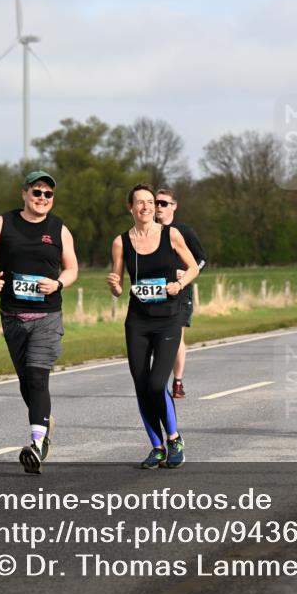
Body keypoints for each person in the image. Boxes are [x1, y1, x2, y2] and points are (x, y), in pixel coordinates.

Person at [0, 170, 79, 474]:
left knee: (38, 376)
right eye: (36, 192)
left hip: (47, 316)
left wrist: (58, 283)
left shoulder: (59, 229)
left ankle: (37, 444)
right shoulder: (4, 223)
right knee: (26, 382)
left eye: (48, 194)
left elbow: (72, 269)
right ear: (24, 194)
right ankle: (44, 421)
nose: (42, 198)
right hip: (12, 316)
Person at [109, 185, 200, 469]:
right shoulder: (121, 242)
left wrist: (180, 284)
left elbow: (193, 267)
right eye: (140, 202)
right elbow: (118, 284)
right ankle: (157, 447)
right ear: (131, 207)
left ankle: (174, 439)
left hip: (168, 318)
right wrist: (115, 286)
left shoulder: (170, 234)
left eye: (150, 202)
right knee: (141, 386)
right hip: (138, 321)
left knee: (156, 383)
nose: (147, 207)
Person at [155, 188, 206, 401]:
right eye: (156, 203)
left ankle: (177, 382)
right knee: (156, 337)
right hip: (157, 292)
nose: (158, 207)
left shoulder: (184, 231)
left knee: (176, 336)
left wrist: (185, 274)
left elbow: (201, 259)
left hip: (181, 291)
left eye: (164, 203)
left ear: (174, 206)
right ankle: (157, 381)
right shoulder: (149, 230)